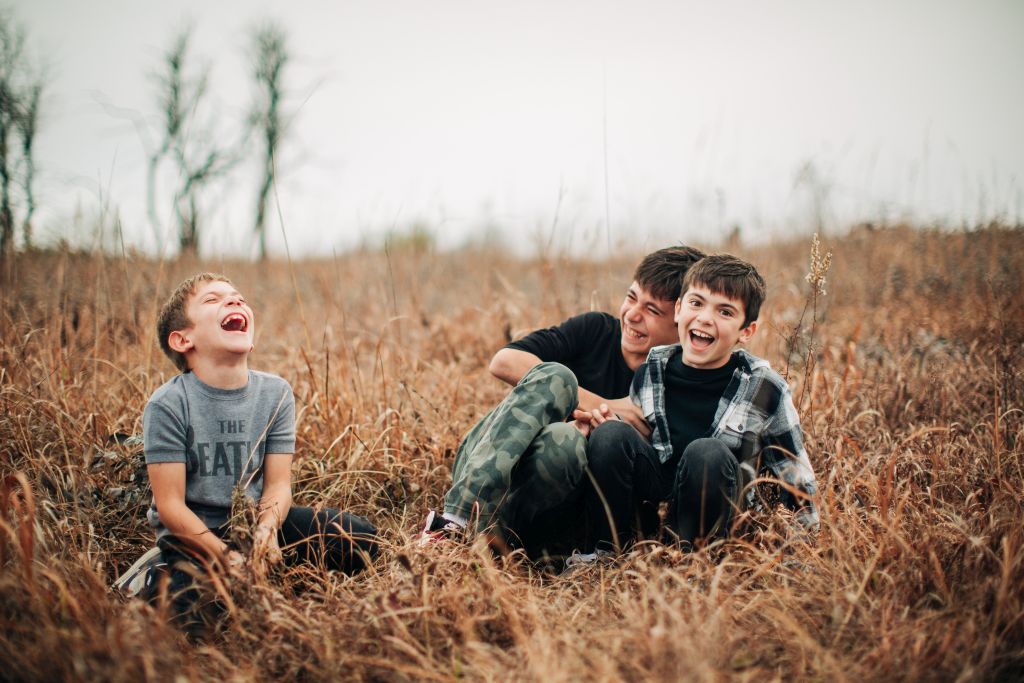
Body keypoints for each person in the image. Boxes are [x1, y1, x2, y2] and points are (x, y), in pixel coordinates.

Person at [420, 246, 706, 553]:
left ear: (681, 321)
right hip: (490, 461)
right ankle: (455, 521)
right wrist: (597, 404)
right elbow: (504, 361)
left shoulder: (677, 383)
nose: (633, 314)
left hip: (552, 505)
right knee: (558, 377)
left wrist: (603, 432)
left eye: (652, 311)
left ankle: (492, 543)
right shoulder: (596, 330)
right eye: (631, 297)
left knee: (566, 442)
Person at [142, 273, 378, 628]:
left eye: (238, 297)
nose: (234, 302)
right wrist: (226, 558)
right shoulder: (169, 404)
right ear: (182, 339)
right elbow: (171, 506)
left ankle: (272, 573)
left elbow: (278, 486)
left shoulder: (276, 394)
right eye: (213, 300)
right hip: (194, 538)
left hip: (256, 525)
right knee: (193, 617)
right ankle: (155, 575)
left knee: (360, 539)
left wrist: (266, 534)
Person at [581, 254, 819, 553]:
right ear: (679, 310)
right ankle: (608, 550)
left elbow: (796, 476)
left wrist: (802, 552)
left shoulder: (763, 387)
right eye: (696, 303)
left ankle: (698, 561)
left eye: (725, 312)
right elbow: (639, 441)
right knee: (610, 435)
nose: (705, 318)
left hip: (719, 507)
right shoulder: (652, 370)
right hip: (663, 497)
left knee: (705, 451)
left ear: (746, 331)